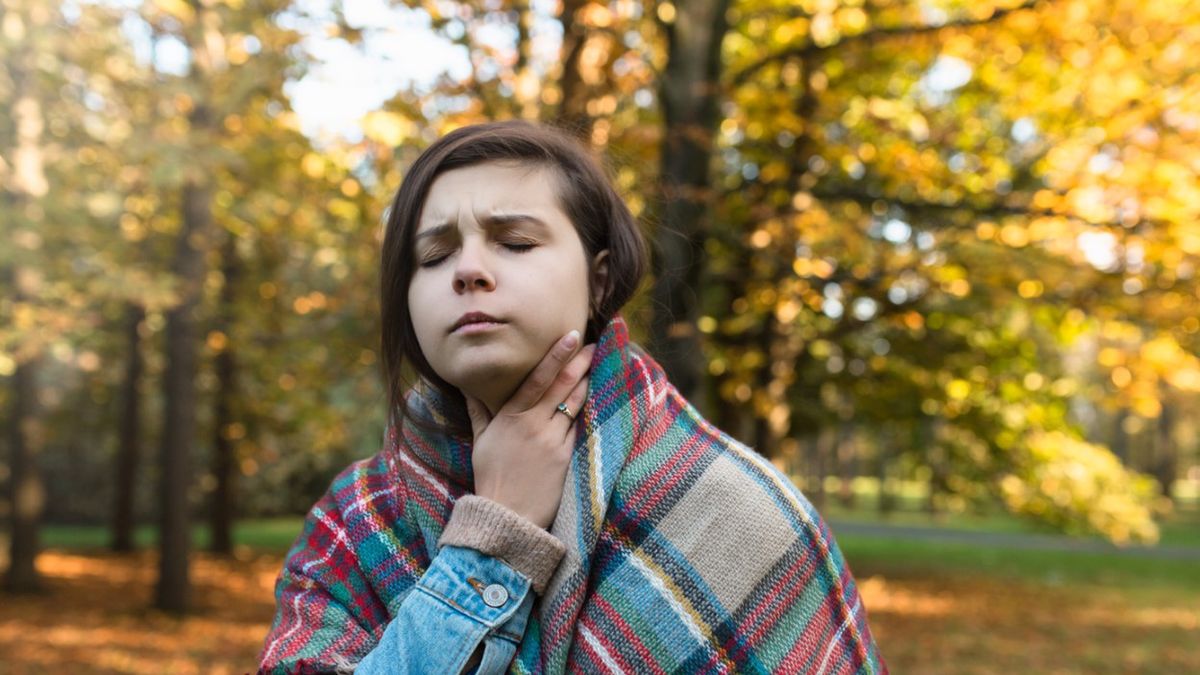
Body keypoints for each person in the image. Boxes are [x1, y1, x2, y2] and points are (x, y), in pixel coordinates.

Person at [258, 120, 887, 674]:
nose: (467, 270)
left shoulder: (739, 512)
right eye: (434, 253)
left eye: (516, 242)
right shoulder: (356, 520)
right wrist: (491, 540)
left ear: (600, 278)